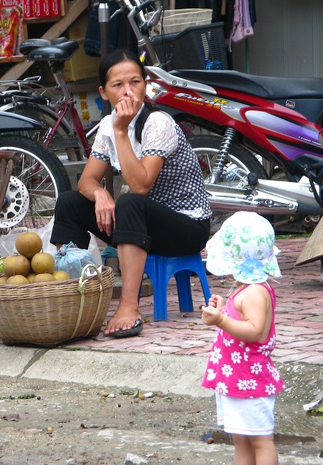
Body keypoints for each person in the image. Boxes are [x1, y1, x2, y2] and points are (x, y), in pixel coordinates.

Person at [50, 48, 211, 337]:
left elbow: (141, 186)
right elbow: (87, 180)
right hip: (142, 226)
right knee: (70, 202)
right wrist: (100, 194)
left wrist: (123, 132)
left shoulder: (157, 122)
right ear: (103, 92)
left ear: (145, 84)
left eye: (135, 82)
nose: (128, 92)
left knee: (130, 202)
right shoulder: (107, 126)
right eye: (118, 85)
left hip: (187, 226)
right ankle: (73, 297)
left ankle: (128, 307)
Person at [200, 211, 284, 465]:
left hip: (252, 379)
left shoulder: (256, 292)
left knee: (261, 438)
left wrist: (221, 320)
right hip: (237, 378)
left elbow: (256, 331)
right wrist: (225, 310)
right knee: (241, 437)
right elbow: (242, 320)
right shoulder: (244, 290)